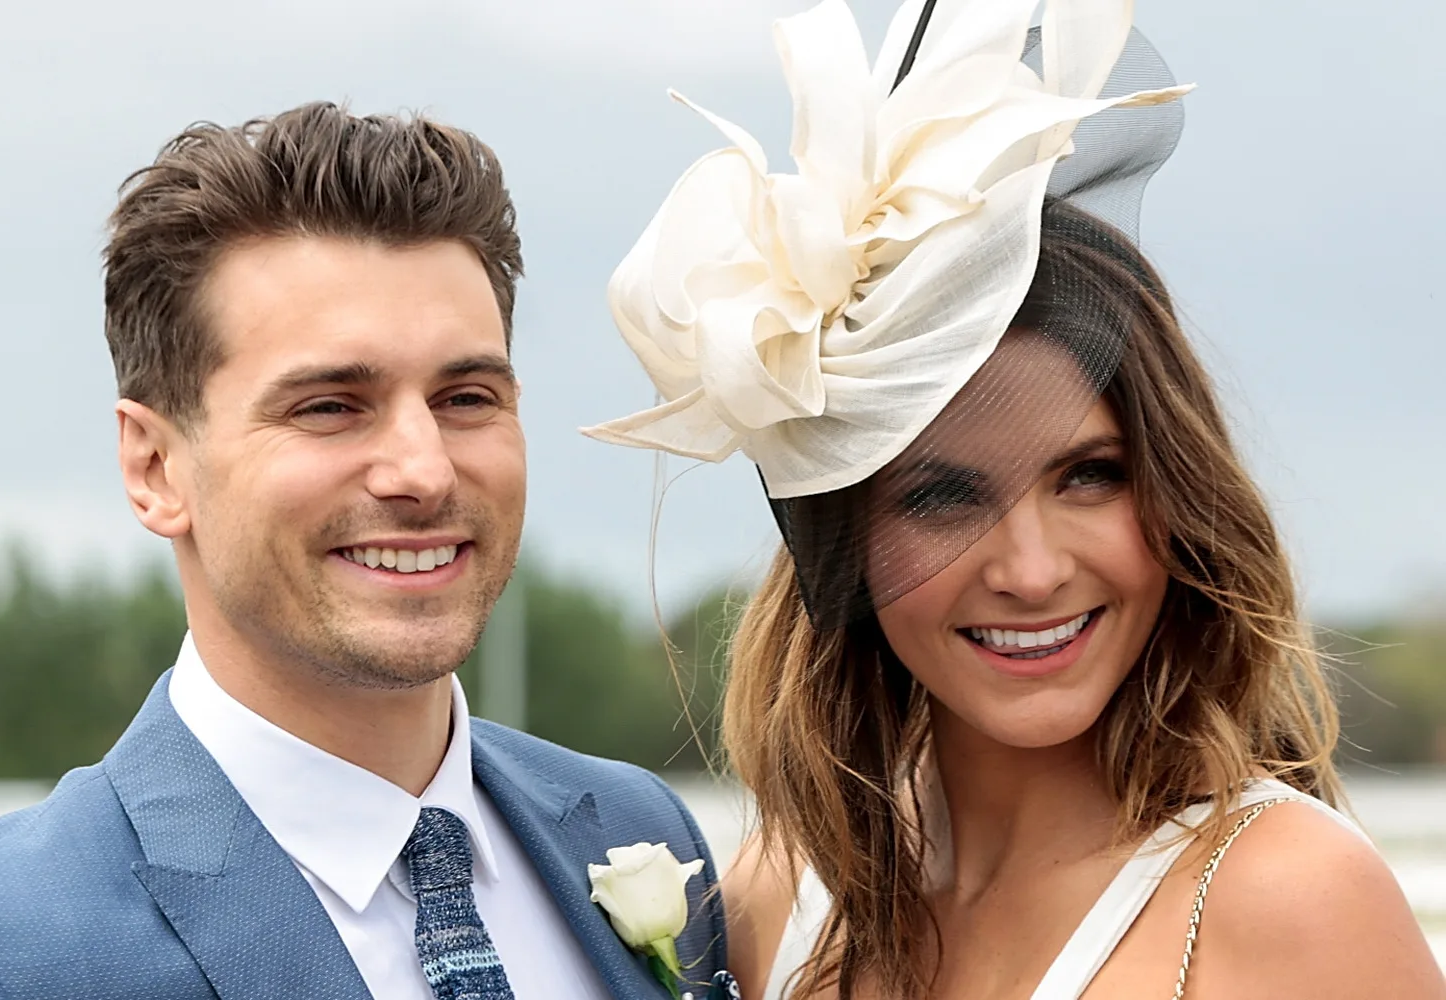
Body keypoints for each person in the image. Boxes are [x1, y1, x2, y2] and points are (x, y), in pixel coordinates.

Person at [585, 0, 1446, 998]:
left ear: (1175, 491)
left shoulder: (1291, 902)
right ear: (844, 538)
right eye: (944, 497)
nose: (1031, 570)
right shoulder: (777, 901)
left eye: (1089, 476)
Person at [0, 102, 727, 1000]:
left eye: (466, 397)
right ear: (155, 465)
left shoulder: (640, 833)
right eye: (329, 407)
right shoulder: (3, 948)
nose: (423, 471)